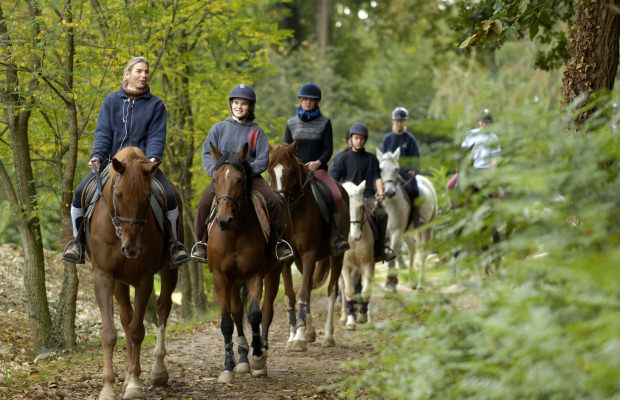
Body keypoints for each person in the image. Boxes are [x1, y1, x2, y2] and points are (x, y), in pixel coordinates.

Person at [62, 56, 190, 266]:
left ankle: (174, 246)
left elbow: (157, 136)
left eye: (146, 71)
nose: (144, 75)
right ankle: (78, 244)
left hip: (144, 167)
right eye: (139, 71)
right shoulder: (110, 102)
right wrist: (96, 156)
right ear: (127, 74)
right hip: (114, 166)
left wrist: (152, 160)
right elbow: (103, 133)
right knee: (79, 194)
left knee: (170, 196)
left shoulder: (156, 105)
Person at [191, 83, 294, 263]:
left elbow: (263, 158)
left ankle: (280, 242)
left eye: (244, 103)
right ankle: (201, 244)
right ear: (231, 104)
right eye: (236, 102)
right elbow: (207, 153)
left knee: (275, 200)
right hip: (223, 179)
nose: (239, 106)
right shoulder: (218, 128)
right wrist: (214, 171)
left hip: (250, 178)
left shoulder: (256, 131)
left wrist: (247, 172)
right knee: (203, 204)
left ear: (250, 107)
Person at [284, 82, 349, 254]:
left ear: (317, 102)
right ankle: (279, 239)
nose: (307, 102)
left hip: (318, 170)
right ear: (300, 100)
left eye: (311, 100)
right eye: (304, 99)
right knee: (277, 195)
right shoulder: (291, 123)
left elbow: (328, 149)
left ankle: (338, 236)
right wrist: (297, 165)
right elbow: (286, 150)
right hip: (296, 172)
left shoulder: (325, 122)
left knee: (336, 195)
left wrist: (317, 163)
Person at [329, 123, 396, 263]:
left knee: (382, 214)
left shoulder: (371, 159)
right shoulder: (341, 157)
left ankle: (380, 249)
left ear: (365, 140)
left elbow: (377, 178)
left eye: (361, 138)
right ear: (351, 139)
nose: (359, 141)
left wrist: (381, 194)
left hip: (367, 197)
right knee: (331, 215)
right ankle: (330, 245)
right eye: (356, 138)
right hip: (346, 198)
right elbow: (333, 180)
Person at [379, 106, 423, 226]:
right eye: (397, 121)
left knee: (414, 191)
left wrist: (414, 170)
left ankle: (416, 217)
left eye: (401, 121)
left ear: (405, 122)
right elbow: (382, 157)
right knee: (377, 190)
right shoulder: (387, 139)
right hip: (389, 174)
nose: (399, 124)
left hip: (405, 173)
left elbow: (416, 157)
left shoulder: (410, 139)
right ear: (393, 121)